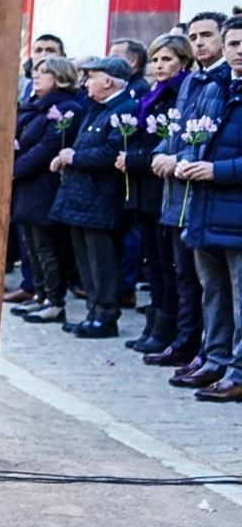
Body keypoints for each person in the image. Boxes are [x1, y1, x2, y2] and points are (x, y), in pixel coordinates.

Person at [148, 12, 232, 376]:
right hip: (180, 193)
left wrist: (180, 158)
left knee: (214, 284)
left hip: (204, 191)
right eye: (194, 36)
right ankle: (193, 345)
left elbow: (209, 140)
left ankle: (210, 352)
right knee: (186, 274)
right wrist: (162, 153)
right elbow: (180, 129)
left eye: (207, 35)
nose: (199, 42)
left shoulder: (225, 81)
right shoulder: (191, 83)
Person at [171, 14, 242, 400]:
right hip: (205, 206)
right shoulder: (214, 86)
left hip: (234, 208)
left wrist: (217, 170)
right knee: (213, 291)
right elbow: (190, 135)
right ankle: (215, 359)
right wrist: (185, 158)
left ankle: (239, 369)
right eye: (233, 44)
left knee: (240, 294)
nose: (239, 51)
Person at [48, 56, 138, 338]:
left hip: (100, 198)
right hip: (81, 197)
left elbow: (112, 153)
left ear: (108, 80)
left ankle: (106, 316)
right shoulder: (97, 108)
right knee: (87, 261)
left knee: (102, 261)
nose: (86, 83)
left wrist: (75, 157)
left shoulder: (125, 109)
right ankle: (93, 313)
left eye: (91, 77)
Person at [117, 34, 192, 353]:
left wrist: (133, 158)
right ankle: (155, 326)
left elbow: (165, 145)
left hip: (162, 186)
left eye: (168, 59)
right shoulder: (153, 94)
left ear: (182, 62)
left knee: (166, 262)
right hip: (145, 189)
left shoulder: (178, 95)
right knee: (155, 257)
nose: (160, 66)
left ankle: (168, 328)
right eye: (157, 60)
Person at [9, 57, 83, 323]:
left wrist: (14, 169)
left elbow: (46, 148)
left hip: (44, 185)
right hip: (27, 186)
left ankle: (54, 300)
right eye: (36, 72)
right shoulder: (35, 109)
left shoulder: (67, 108)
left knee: (46, 245)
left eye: (44, 72)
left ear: (60, 78)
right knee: (31, 245)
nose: (36, 76)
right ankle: (40, 295)